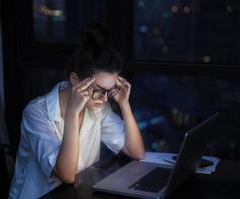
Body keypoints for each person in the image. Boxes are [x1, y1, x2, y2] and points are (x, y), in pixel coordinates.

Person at [9, 23, 145, 199]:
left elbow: (136, 152)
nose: (104, 99)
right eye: (99, 90)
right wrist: (73, 113)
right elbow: (67, 175)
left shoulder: (98, 106)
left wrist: (124, 105)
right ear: (75, 80)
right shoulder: (36, 112)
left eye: (109, 92)